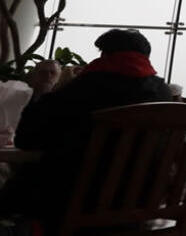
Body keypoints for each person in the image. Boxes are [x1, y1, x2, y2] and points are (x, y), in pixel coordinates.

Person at [3, 29, 172, 232]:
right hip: (141, 202)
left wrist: (60, 87)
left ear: (105, 54)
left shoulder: (87, 86)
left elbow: (26, 139)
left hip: (76, 201)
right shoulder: (163, 92)